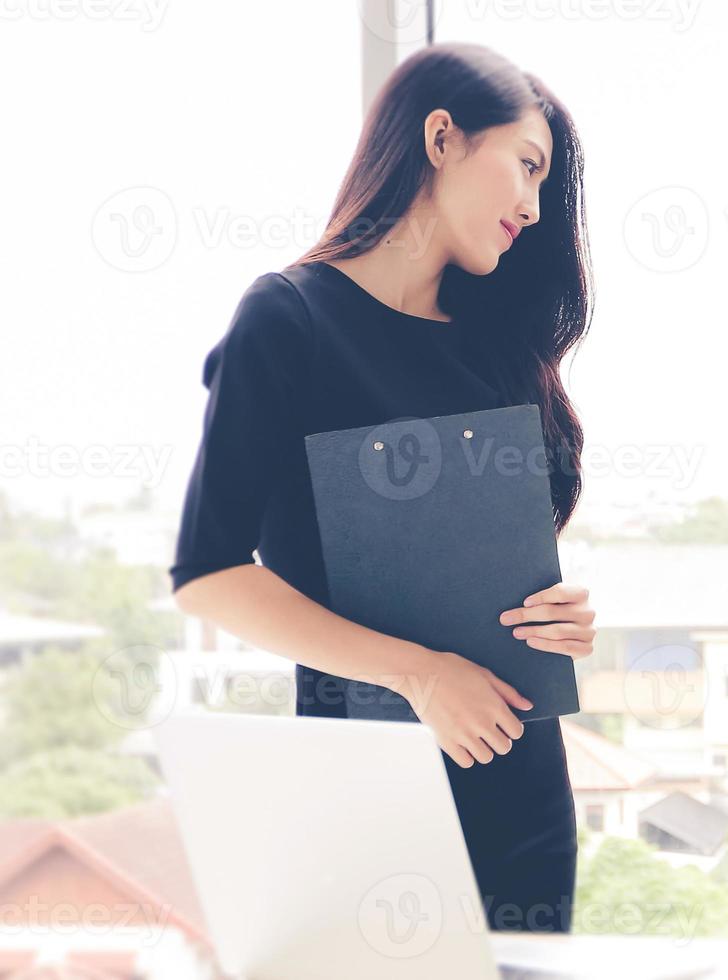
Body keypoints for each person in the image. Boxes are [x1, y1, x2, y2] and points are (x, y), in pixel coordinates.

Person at [168, 43, 597, 933]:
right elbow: (209, 574)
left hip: (521, 785)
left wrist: (554, 618)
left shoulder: (495, 344)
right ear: (441, 137)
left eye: (545, 184)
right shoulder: (288, 319)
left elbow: (483, 564)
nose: (533, 205)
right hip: (369, 787)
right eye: (525, 166)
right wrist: (421, 676)